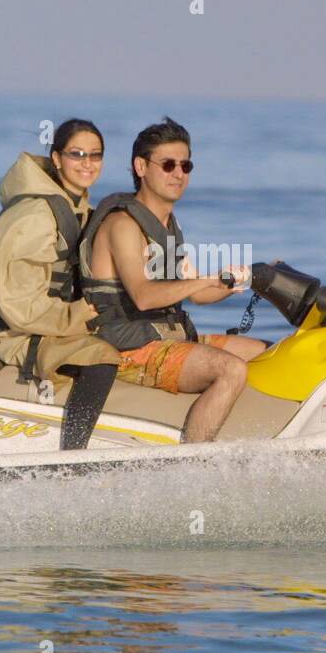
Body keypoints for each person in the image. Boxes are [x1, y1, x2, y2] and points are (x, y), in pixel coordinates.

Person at [80, 117, 266, 442]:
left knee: (270, 352)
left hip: (165, 335)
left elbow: (198, 294)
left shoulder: (165, 225)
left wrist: (248, 279)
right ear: (141, 166)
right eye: (168, 164)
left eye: (186, 165)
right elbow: (144, 296)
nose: (178, 173)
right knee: (231, 369)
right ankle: (192, 465)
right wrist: (203, 280)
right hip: (126, 348)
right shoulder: (123, 225)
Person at [0, 119, 120, 449]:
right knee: (101, 356)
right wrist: (78, 315)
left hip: (49, 322)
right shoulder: (35, 214)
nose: (87, 163)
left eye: (95, 155)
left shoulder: (78, 208)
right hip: (17, 332)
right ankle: (72, 456)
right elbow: (16, 304)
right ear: (57, 157)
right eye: (77, 154)